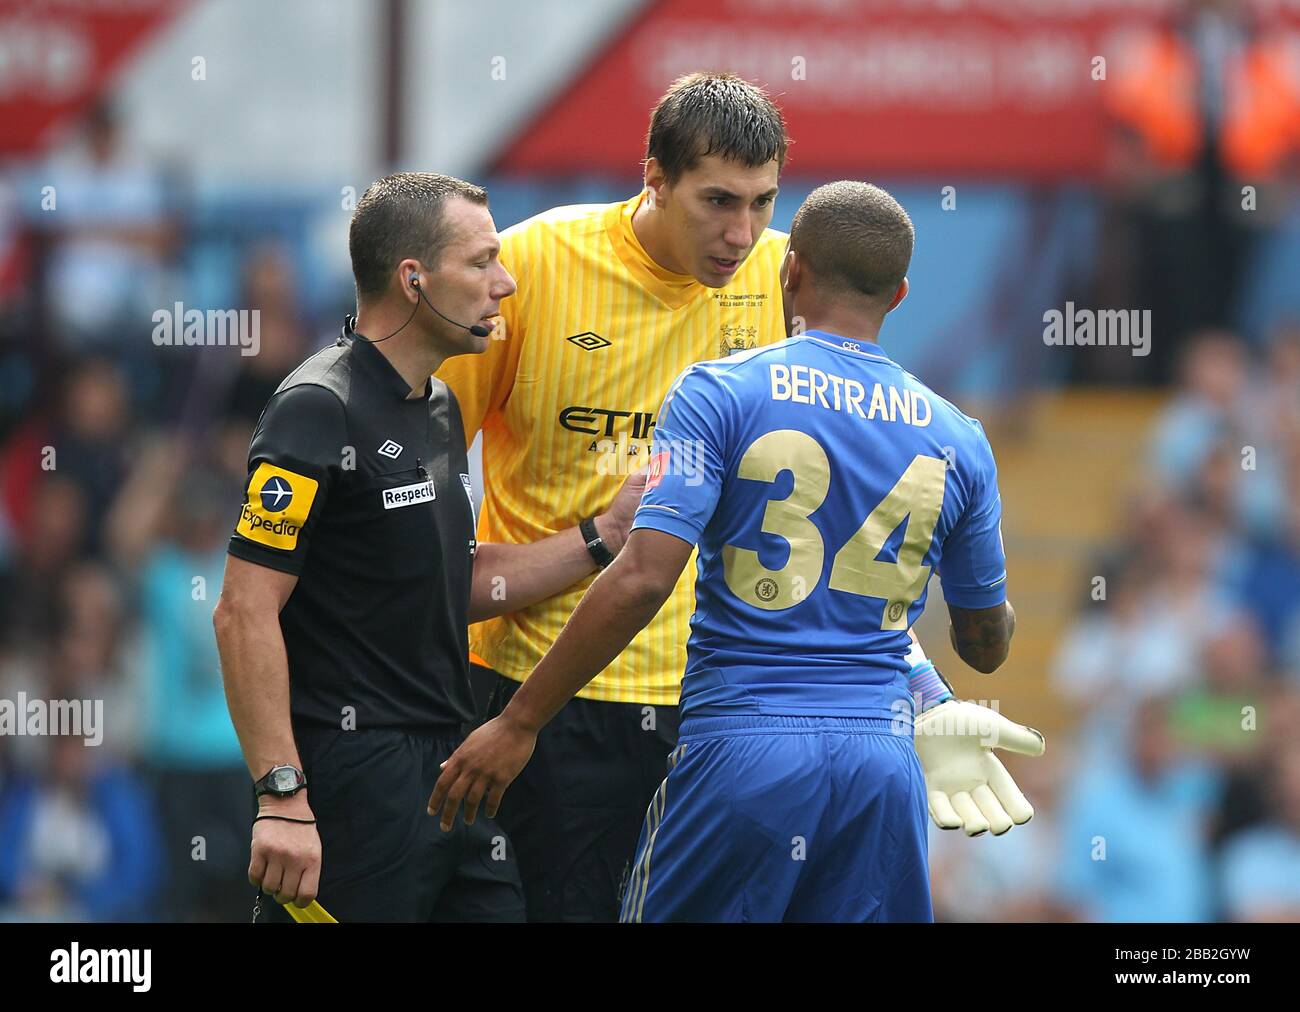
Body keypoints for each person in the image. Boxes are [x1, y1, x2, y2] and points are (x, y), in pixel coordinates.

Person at [430, 181, 1045, 922]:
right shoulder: (958, 437)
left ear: (791, 271)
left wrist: (522, 720)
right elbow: (985, 642)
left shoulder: (721, 393)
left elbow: (644, 578)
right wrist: (944, 684)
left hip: (741, 752)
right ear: (902, 294)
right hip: (883, 766)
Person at [213, 172, 644, 922]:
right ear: (413, 279)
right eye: (481, 263)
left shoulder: (440, 402)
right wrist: (281, 795)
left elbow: (453, 578)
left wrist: (601, 537)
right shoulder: (318, 408)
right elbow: (242, 611)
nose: (504, 284)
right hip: (354, 781)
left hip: (453, 772)